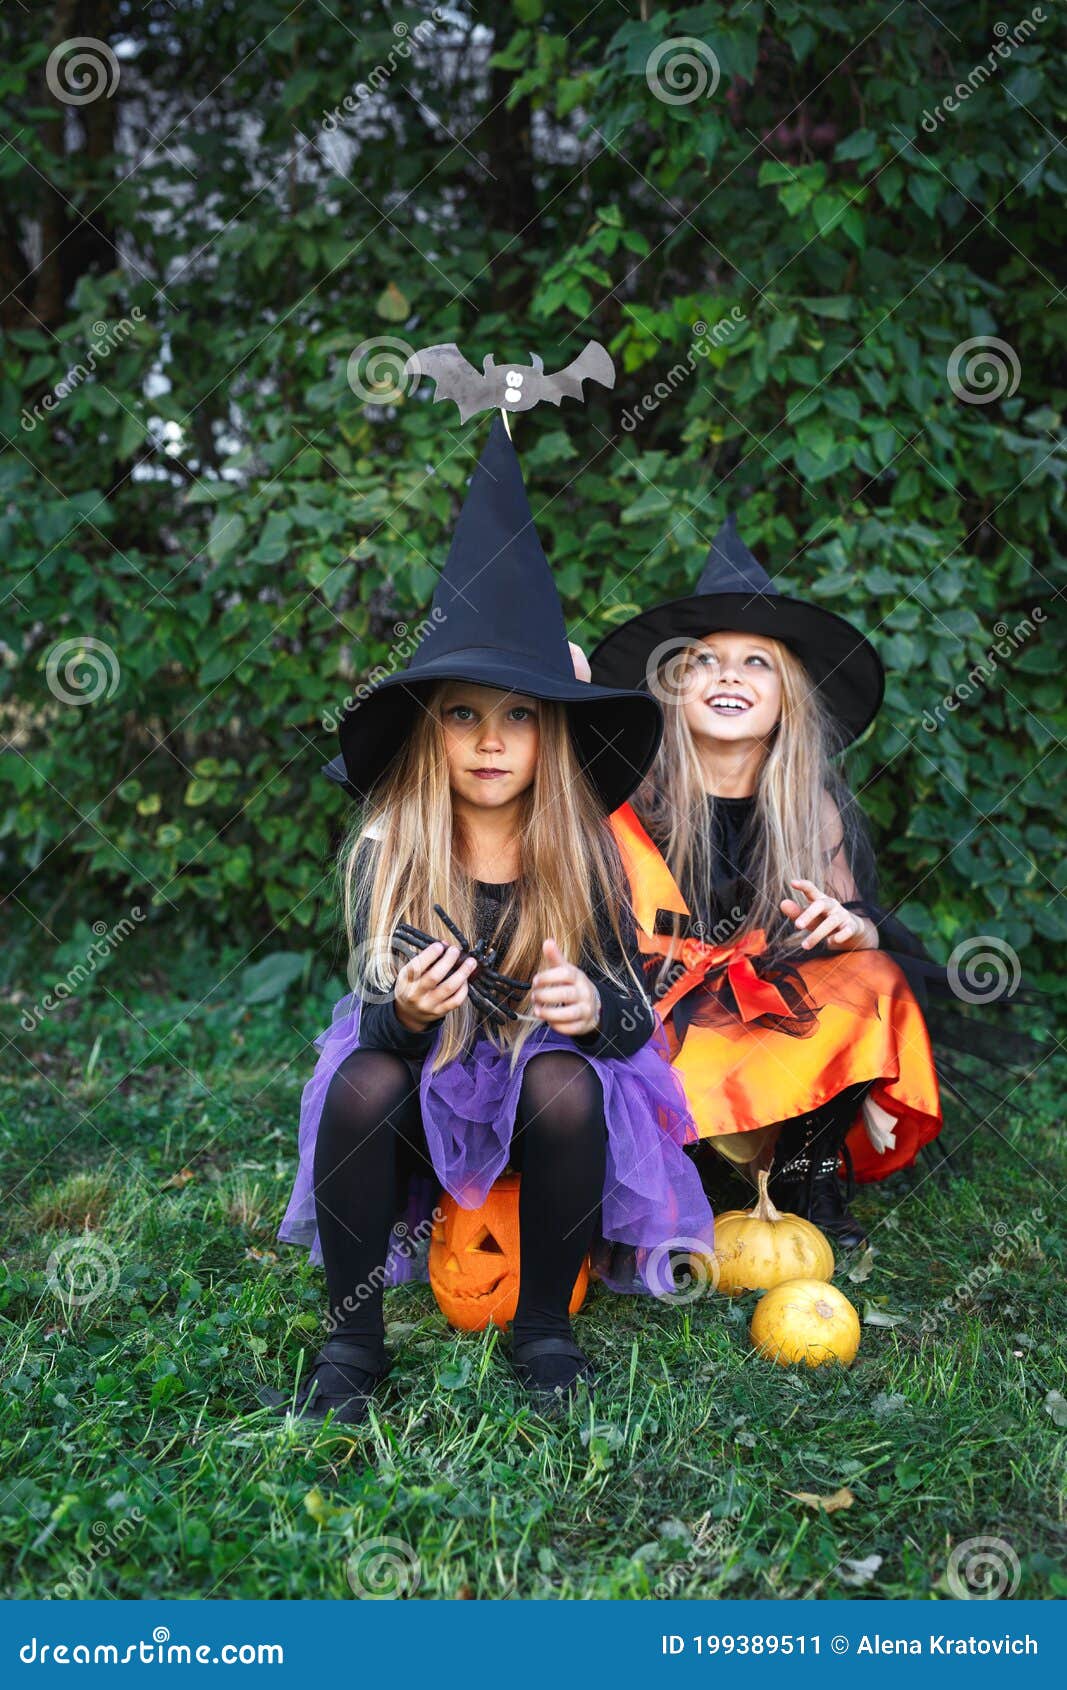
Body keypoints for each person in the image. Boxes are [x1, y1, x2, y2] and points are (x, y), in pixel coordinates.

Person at [271, 418, 713, 1424]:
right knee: (357, 1074)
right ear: (432, 730)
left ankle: (545, 1332)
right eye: (464, 714)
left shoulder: (582, 851)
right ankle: (350, 1345)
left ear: (548, 735)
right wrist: (408, 1016)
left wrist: (590, 1002)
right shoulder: (396, 845)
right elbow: (376, 1004)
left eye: (517, 716)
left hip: (534, 1122)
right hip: (423, 1115)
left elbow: (636, 1015)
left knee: (566, 1080)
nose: (489, 740)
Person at [589, 515, 943, 1248]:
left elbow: (850, 917)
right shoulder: (634, 792)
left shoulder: (805, 805)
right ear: (669, 688)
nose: (727, 675)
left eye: (756, 662)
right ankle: (679, 1168)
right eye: (703, 661)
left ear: (789, 698)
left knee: (870, 976)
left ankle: (803, 1171)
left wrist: (852, 928)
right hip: (655, 1000)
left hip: (761, 999)